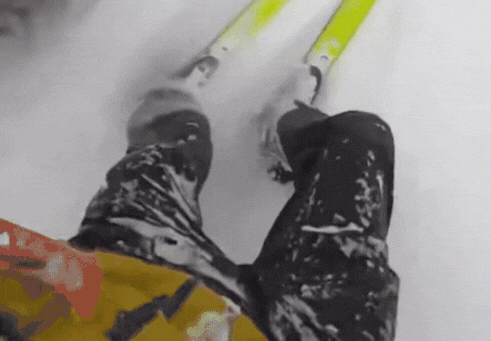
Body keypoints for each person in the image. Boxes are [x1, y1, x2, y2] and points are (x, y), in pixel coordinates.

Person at [0, 60, 399, 341]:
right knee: (361, 139)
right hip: (288, 331)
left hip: (119, 278)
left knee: (172, 140)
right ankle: (285, 120)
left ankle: (192, 114)